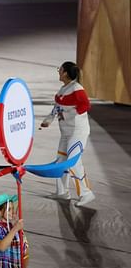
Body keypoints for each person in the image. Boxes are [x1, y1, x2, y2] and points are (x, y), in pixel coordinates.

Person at [40, 61, 95, 207]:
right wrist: (48, 120)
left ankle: (86, 193)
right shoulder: (63, 90)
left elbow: (85, 105)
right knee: (61, 161)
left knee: (73, 161)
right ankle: (62, 191)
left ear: (65, 73)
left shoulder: (77, 88)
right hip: (65, 133)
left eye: (60, 69)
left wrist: (72, 114)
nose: (58, 72)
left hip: (77, 132)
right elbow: (57, 107)